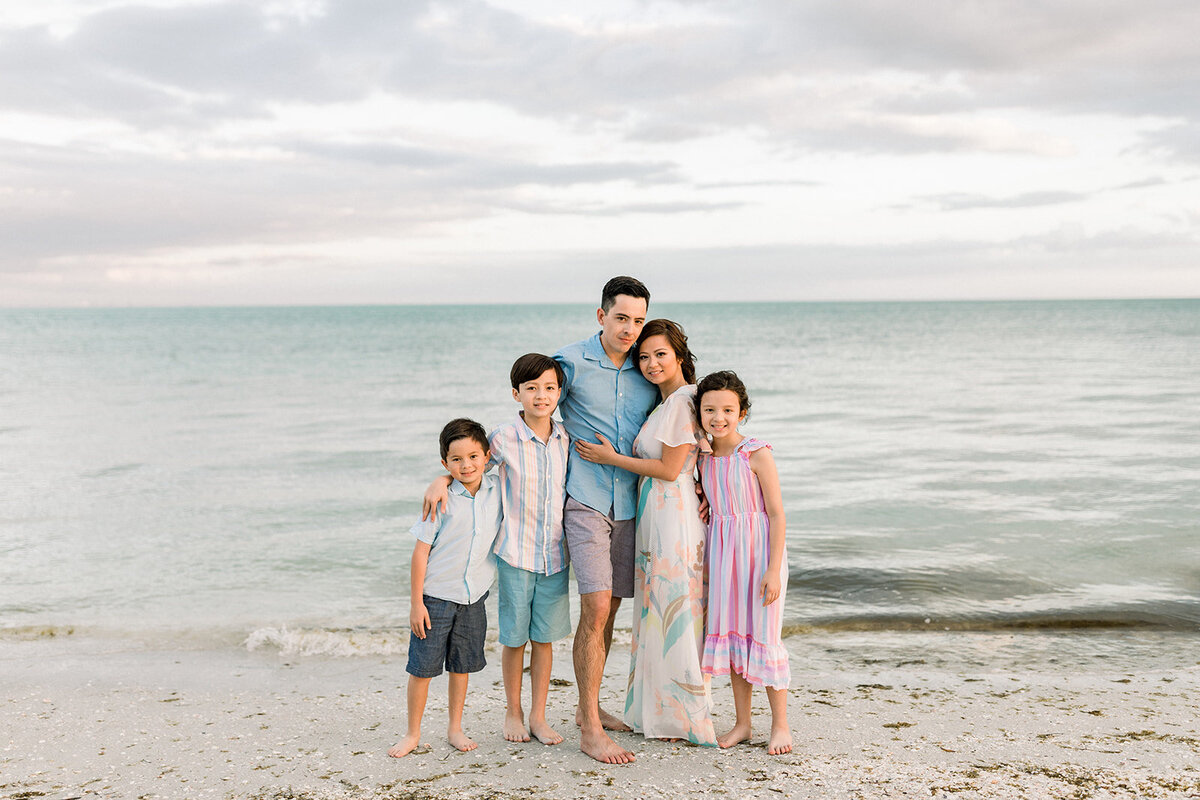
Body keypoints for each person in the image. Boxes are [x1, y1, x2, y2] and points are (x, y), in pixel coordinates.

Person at [423, 276, 657, 764]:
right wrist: (441, 479)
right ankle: (586, 726)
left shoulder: (644, 367)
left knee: (607, 611)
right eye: (621, 318)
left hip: (630, 505)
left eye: (638, 320)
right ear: (601, 316)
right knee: (590, 609)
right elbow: (480, 456)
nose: (630, 329)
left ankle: (582, 708)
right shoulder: (567, 363)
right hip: (583, 505)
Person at [574, 319, 717, 745]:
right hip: (658, 510)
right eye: (644, 356)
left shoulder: (683, 400)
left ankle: (680, 716)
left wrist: (609, 458)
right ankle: (658, 711)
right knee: (660, 609)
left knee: (674, 606)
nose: (652, 363)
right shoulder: (671, 401)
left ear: (679, 355)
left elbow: (671, 468)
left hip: (672, 514)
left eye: (660, 354)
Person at [389, 419, 501, 758]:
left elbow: (506, 460)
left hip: (474, 596)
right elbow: (420, 553)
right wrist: (415, 604)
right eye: (456, 460)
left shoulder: (496, 487)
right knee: (422, 669)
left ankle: (455, 728)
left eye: (473, 457)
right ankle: (412, 732)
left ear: (486, 457)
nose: (466, 465)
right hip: (435, 598)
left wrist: (448, 475)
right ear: (444, 463)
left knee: (462, 666)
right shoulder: (440, 500)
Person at [694, 371, 792, 755]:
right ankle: (743, 724)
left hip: (759, 554)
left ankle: (780, 725)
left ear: (742, 412)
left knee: (765, 636)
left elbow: (778, 514)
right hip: (723, 554)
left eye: (728, 410)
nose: (718, 417)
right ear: (699, 413)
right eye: (710, 410)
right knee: (734, 637)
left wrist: (773, 568)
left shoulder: (756, 452)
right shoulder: (703, 457)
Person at [490, 353, 572, 746]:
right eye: (532, 388)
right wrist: (442, 480)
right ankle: (513, 711)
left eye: (549, 387)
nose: (541, 395)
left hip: (555, 557)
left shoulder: (565, 439)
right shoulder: (504, 437)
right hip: (516, 555)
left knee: (545, 639)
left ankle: (539, 716)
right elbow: (470, 469)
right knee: (514, 638)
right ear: (516, 393)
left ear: (559, 392)